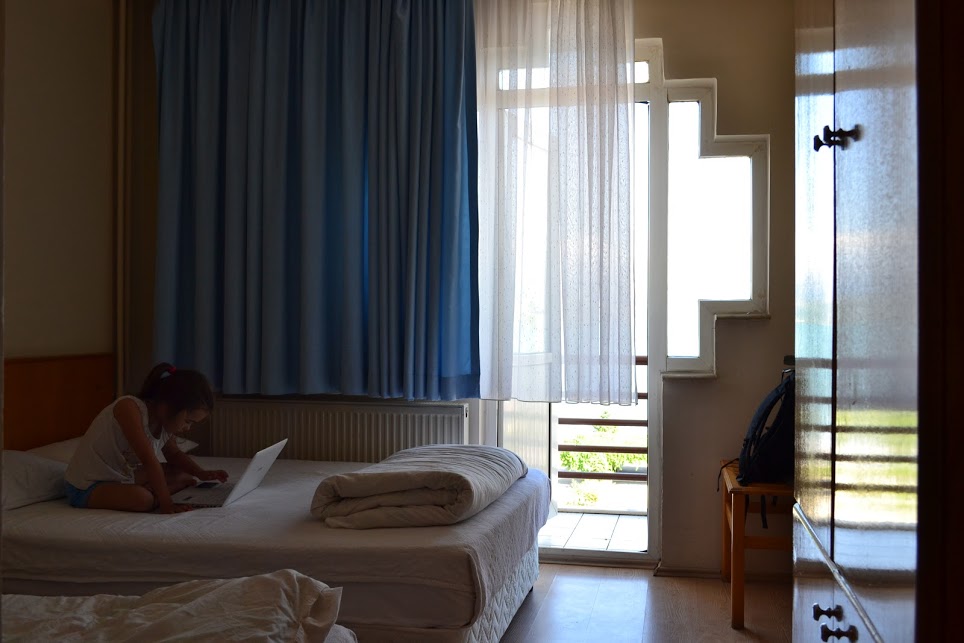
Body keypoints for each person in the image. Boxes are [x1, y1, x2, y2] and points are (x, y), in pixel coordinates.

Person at [64, 363, 228, 513]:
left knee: (181, 472)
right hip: (88, 486)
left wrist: (201, 473)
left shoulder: (164, 421)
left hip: (120, 476)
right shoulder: (128, 408)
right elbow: (149, 460)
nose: (187, 428)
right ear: (168, 406)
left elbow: (174, 454)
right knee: (143, 499)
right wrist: (166, 504)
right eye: (188, 421)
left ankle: (153, 490)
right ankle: (154, 496)